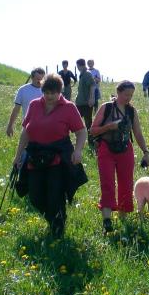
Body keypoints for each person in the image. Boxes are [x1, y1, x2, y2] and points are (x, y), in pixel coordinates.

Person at [12, 73, 87, 238]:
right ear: (42, 91)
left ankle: (57, 225)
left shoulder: (69, 107)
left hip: (58, 158)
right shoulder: (34, 105)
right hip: (35, 155)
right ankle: (53, 218)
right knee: (35, 196)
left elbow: (81, 132)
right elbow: (26, 131)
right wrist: (18, 155)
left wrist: (78, 150)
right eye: (46, 92)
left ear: (59, 92)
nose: (50, 96)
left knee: (55, 195)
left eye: (53, 93)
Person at [90, 81, 149, 234]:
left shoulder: (131, 111)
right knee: (107, 182)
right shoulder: (106, 107)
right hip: (106, 149)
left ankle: (123, 217)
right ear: (118, 92)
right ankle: (107, 219)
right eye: (126, 94)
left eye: (131, 95)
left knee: (126, 183)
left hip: (125, 150)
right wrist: (109, 127)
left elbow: (137, 133)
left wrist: (145, 152)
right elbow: (93, 130)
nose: (128, 98)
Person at [6, 67, 45, 137]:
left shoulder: (48, 91)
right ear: (32, 78)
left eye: (42, 79)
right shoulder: (23, 90)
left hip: (44, 127)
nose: (40, 81)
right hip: (28, 126)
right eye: (38, 79)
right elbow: (16, 109)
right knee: (25, 147)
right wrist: (10, 125)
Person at [75, 58, 96, 134]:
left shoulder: (87, 74)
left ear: (80, 65)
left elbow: (93, 85)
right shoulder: (82, 74)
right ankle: (80, 135)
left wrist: (92, 98)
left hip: (86, 103)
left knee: (88, 122)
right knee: (75, 120)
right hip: (80, 102)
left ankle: (91, 139)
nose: (77, 68)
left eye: (77, 66)